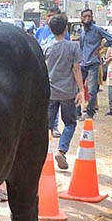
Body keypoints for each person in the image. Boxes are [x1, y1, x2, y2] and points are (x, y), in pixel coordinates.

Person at [42, 13, 85, 170]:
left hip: (50, 92)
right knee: (70, 123)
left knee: (47, 125)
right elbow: (76, 69)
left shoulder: (45, 48)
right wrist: (81, 90)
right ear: (66, 28)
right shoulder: (73, 46)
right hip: (68, 92)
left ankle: (43, 154)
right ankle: (61, 150)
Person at [34, 7, 68, 137]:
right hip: (43, 71)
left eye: (53, 16)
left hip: (57, 73)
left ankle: (53, 127)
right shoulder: (40, 31)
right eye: (48, 15)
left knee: (55, 100)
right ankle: (44, 127)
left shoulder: (63, 34)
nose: (50, 18)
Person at [78, 8, 112, 119]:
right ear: (82, 18)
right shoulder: (82, 31)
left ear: (92, 17)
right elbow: (81, 45)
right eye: (85, 17)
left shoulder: (97, 29)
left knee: (92, 90)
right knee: (77, 88)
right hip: (82, 62)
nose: (87, 18)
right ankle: (77, 112)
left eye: (89, 16)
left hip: (93, 62)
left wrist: (100, 48)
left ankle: (90, 112)